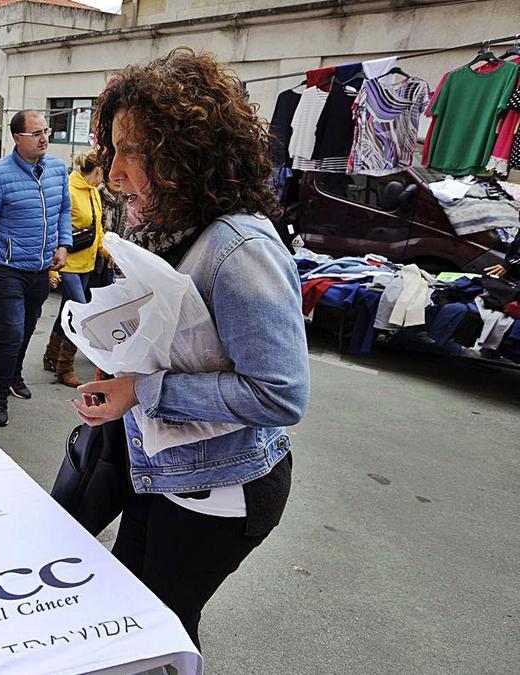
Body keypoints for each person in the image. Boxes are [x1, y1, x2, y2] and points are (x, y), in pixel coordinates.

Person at [68, 48, 309, 650]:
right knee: (130, 616)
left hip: (222, 489)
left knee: (158, 632)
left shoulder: (239, 249)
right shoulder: (164, 228)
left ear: (185, 154)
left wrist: (143, 391)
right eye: (111, 148)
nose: (113, 171)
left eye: (130, 150)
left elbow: (279, 393)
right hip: (161, 472)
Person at [0, 109, 71, 427]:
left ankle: (13, 373)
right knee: (12, 330)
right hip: (6, 268)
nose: (44, 138)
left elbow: (64, 209)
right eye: (36, 133)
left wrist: (63, 244)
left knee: (26, 329)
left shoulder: (56, 168)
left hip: (40, 268)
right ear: (17, 138)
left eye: (46, 132)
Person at [44, 150, 105, 387]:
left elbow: (97, 227)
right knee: (80, 311)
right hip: (67, 264)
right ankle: (64, 367)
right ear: (97, 170)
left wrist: (105, 251)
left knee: (65, 312)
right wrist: (52, 269)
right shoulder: (68, 189)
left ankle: (51, 355)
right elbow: (55, 229)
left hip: (87, 265)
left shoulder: (94, 192)